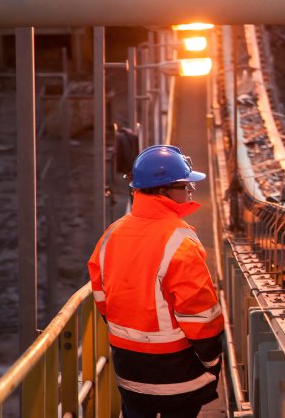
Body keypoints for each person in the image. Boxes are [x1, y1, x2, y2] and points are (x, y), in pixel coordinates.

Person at [88, 145, 223, 418]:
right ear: (164, 191)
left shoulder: (112, 234)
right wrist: (212, 360)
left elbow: (101, 297)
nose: (190, 191)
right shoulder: (179, 240)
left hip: (129, 371)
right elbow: (199, 313)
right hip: (178, 375)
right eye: (185, 185)